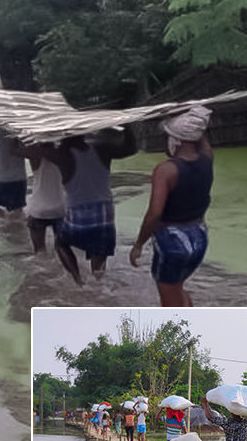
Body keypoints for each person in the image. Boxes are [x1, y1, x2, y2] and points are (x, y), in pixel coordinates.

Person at [130, 106, 214, 306]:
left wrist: (139, 244)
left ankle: (183, 336)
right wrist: (189, 115)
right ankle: (196, 327)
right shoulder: (207, 159)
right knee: (177, 287)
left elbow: (154, 214)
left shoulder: (166, 170)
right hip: (199, 236)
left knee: (170, 300)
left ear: (175, 140)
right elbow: (200, 136)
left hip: (174, 241)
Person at [39, 127, 137, 284]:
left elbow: (42, 148)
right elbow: (131, 148)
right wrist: (127, 126)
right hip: (104, 214)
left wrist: (43, 130)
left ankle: (78, 280)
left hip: (79, 215)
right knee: (99, 251)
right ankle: (98, 283)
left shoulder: (62, 156)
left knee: (61, 243)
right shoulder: (101, 149)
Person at [24, 146, 67, 253]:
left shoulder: (35, 157)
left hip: (38, 210)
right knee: (63, 249)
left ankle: (43, 268)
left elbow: (15, 150)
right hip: (60, 208)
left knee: (39, 251)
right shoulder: (65, 155)